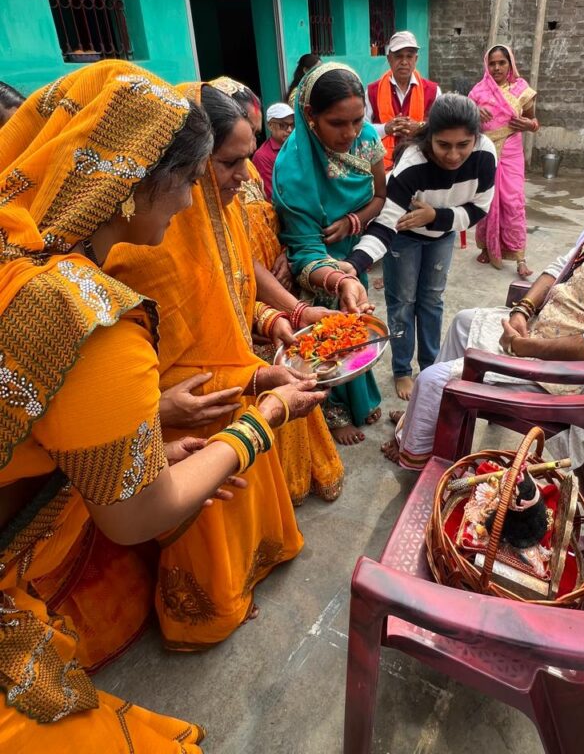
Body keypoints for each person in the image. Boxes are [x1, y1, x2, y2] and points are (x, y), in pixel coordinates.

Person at [0, 62, 323, 750]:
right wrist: (259, 426)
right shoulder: (89, 318)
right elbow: (138, 517)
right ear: (132, 185)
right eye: (186, 181)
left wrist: (148, 430)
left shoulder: (17, 254)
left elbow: (42, 419)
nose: (188, 203)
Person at [105, 85, 343, 651]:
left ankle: (250, 572)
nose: (246, 176)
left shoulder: (220, 213)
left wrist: (273, 320)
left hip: (237, 385)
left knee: (243, 495)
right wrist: (168, 406)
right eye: (230, 163)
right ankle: (208, 612)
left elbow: (234, 290)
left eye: (247, 158)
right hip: (183, 411)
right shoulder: (137, 244)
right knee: (207, 517)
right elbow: (141, 357)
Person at [384, 135, 584, 470]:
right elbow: (560, 268)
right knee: (463, 321)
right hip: (548, 334)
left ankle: (419, 456)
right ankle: (425, 421)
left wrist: (523, 347)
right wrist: (523, 310)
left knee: (434, 379)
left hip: (574, 381)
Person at [346, 94, 496, 402]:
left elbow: (479, 208)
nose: (454, 155)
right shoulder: (413, 163)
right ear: (430, 137)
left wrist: (435, 217)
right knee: (402, 302)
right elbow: (385, 223)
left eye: (463, 145)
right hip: (403, 235)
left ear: (476, 138)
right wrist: (354, 263)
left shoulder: (485, 154)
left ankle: (430, 368)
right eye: (444, 145)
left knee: (432, 300)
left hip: (442, 233)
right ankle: (402, 369)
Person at [274, 63, 386, 445]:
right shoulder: (292, 169)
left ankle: (360, 400)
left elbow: (380, 197)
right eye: (337, 123)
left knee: (356, 329)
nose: (350, 133)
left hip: (354, 253)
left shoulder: (366, 138)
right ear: (310, 115)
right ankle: (333, 413)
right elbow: (304, 249)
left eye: (357, 119)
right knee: (323, 343)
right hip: (315, 263)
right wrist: (339, 279)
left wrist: (354, 222)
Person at [209, 77, 292, 287]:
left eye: (255, 133)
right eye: (229, 162)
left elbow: (270, 219)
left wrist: (286, 254)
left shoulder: (249, 169)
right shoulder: (205, 192)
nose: (253, 144)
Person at [469, 44, 539, 276]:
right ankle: (486, 247)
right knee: (486, 200)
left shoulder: (521, 90)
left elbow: (533, 121)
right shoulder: (478, 92)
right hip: (485, 152)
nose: (497, 68)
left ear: (510, 64)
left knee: (513, 201)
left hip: (511, 152)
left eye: (502, 62)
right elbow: (465, 122)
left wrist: (529, 125)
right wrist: (474, 113)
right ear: (486, 65)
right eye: (492, 63)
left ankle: (519, 257)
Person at [364, 30, 441, 170]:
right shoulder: (372, 91)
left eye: (409, 56)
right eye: (398, 56)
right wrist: (385, 128)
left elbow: (442, 128)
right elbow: (362, 129)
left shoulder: (433, 91)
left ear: (416, 59)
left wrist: (420, 128)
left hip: (422, 164)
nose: (404, 62)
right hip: (382, 168)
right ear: (389, 59)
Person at [252, 101, 294, 200]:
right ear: (270, 126)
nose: (289, 130)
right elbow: (272, 196)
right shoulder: (262, 156)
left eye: (292, 125)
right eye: (283, 125)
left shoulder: (296, 145)